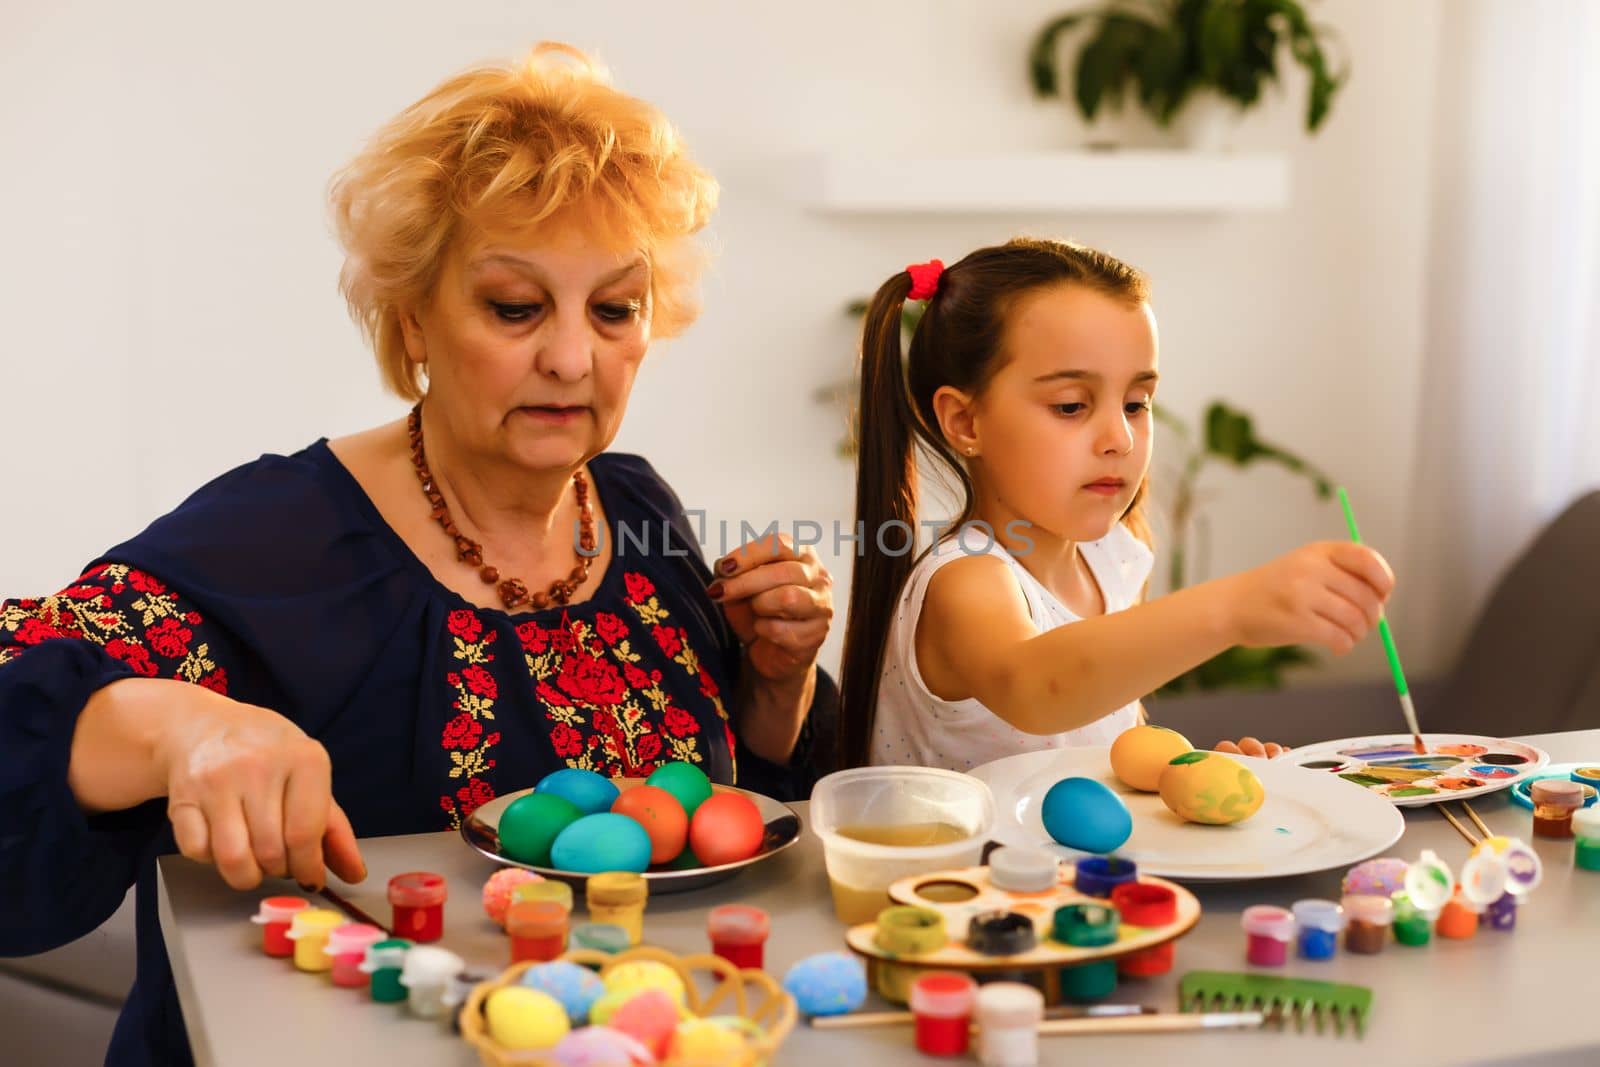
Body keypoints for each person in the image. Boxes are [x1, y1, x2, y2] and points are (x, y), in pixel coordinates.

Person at [0, 43, 833, 1065]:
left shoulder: (631, 501)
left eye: (613, 308)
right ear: (414, 319)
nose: (573, 357)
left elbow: (712, 821)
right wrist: (175, 725)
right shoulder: (282, 532)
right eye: (515, 307)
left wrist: (775, 684)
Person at [838, 239, 1392, 771]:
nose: (1120, 440)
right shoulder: (966, 580)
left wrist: (1184, 776)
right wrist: (1234, 608)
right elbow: (1041, 687)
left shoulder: (1110, 561)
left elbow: (1097, 763)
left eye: (1135, 404)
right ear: (965, 422)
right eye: (1071, 405)